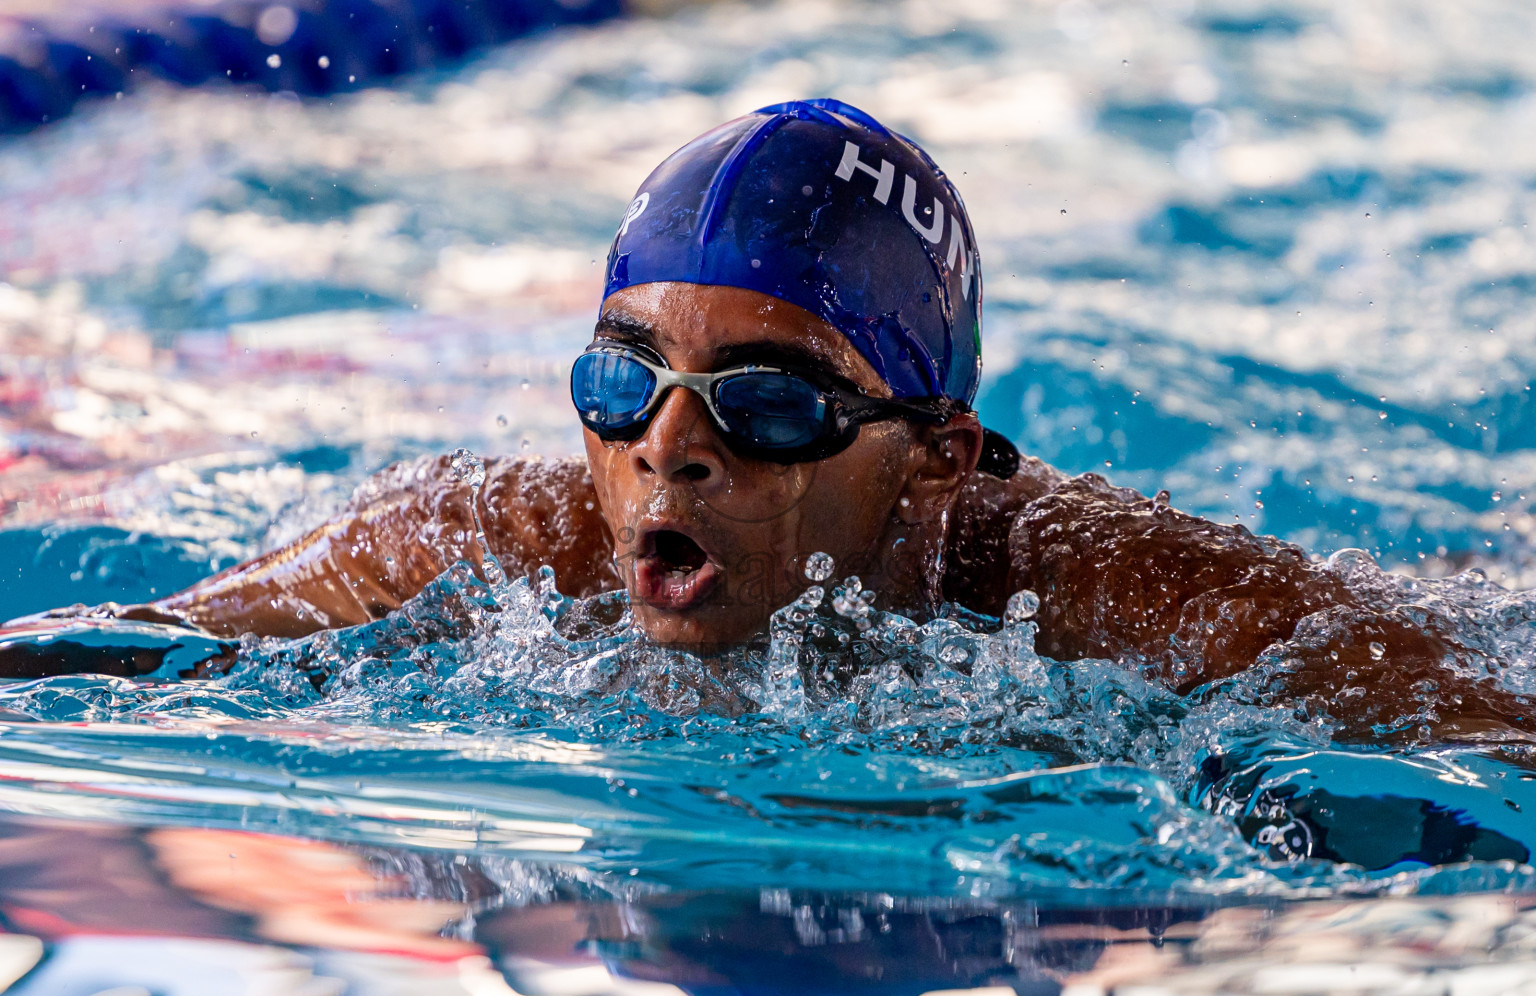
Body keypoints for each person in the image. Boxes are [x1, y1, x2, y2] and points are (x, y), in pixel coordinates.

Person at [9, 99, 1525, 744]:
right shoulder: (483, 539)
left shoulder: (1100, 588)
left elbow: (1468, 724)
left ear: (932, 456)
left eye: (770, 402)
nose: (670, 447)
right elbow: (135, 642)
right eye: (621, 381)